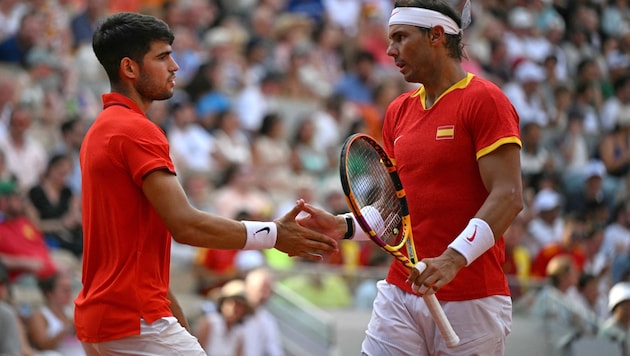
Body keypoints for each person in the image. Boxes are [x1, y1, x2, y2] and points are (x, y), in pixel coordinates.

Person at [74, 12, 337, 356]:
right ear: (129, 68)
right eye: (162, 56)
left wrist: (166, 302)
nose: (175, 66)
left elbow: (128, 241)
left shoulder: (100, 131)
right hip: (133, 318)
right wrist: (273, 235)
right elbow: (185, 225)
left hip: (103, 318)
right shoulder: (136, 130)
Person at [297, 1, 523, 354]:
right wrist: (342, 226)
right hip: (401, 289)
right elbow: (394, 210)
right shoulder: (398, 111)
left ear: (436, 36)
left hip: (473, 297)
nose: (389, 50)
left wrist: (452, 259)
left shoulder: (486, 101)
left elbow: (509, 196)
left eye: (401, 38)